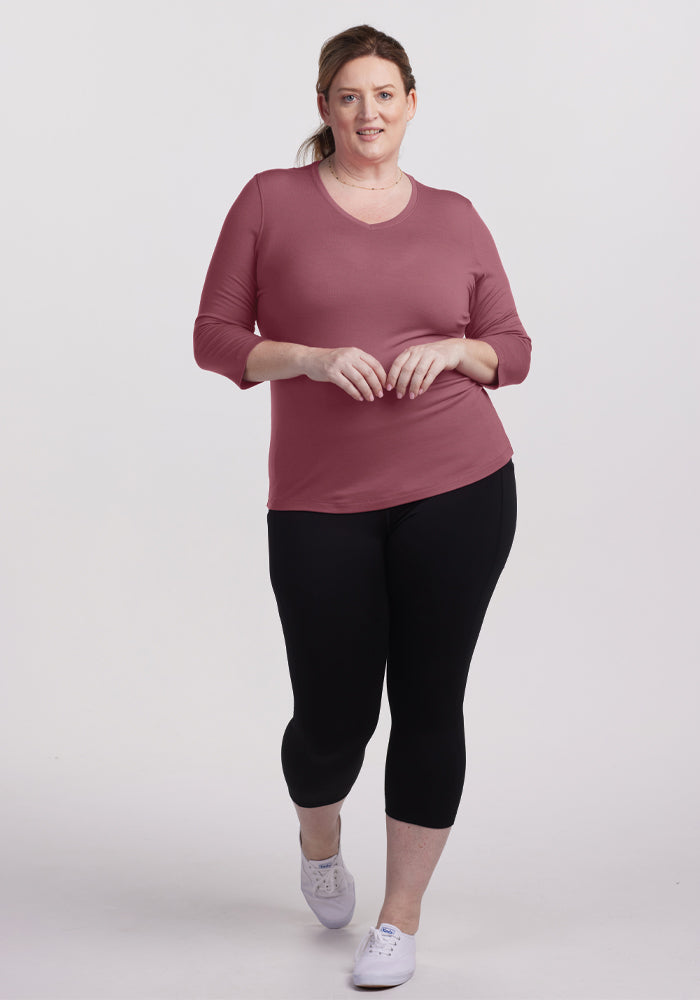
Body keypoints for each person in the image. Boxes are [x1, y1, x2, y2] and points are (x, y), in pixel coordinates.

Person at [193, 23, 531, 991]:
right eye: (349, 96)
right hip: (318, 497)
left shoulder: (456, 214)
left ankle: (399, 918)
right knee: (332, 717)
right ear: (323, 108)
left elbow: (510, 342)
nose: (368, 112)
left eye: (385, 94)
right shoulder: (270, 201)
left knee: (430, 701)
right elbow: (214, 335)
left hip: (461, 482)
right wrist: (303, 355)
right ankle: (318, 837)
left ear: (411, 103)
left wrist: (457, 351)